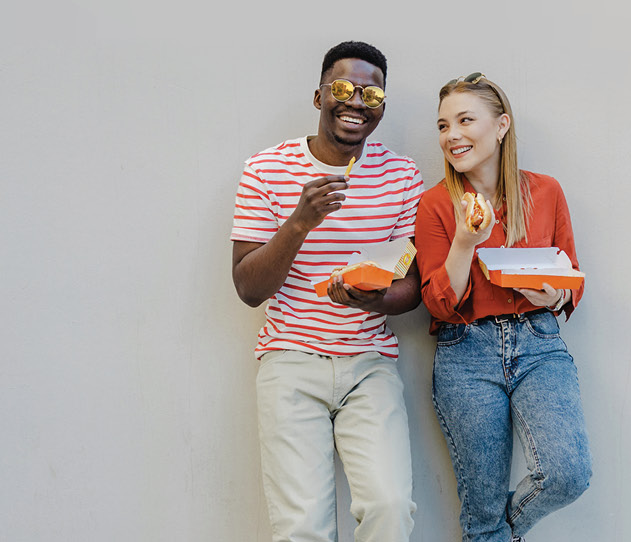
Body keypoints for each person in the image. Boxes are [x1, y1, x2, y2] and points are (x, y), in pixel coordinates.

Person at [229, 41, 425, 542]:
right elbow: (249, 288)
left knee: (390, 505)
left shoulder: (402, 176)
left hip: (369, 364)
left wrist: (374, 298)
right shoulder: (266, 169)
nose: (356, 102)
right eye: (342, 88)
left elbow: (412, 286)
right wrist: (300, 222)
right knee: (302, 529)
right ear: (318, 97)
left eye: (371, 94)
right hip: (291, 361)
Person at [415, 72, 592, 542]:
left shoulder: (546, 192)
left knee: (567, 474)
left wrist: (554, 295)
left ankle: (489, 534)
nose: (451, 135)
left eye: (465, 120)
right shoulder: (435, 205)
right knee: (482, 502)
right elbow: (438, 302)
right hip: (465, 352)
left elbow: (571, 276)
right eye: (442, 125)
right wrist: (464, 244)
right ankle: (486, 529)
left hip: (539, 344)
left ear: (501, 125)